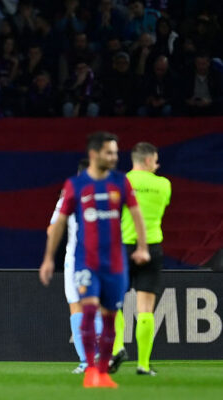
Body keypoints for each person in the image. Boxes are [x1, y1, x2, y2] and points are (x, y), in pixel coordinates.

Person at [39, 132, 150, 388]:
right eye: (109, 153)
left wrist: (142, 247)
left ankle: (101, 370)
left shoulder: (121, 183)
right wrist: (47, 259)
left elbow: (137, 215)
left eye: (115, 152)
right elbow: (55, 226)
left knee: (109, 315)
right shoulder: (75, 187)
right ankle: (89, 367)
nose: (114, 157)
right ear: (94, 155)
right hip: (83, 260)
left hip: (114, 260)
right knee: (87, 309)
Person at [109, 142, 171, 376]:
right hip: (152, 248)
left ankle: (118, 348)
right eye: (155, 160)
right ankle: (143, 365)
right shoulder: (164, 184)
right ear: (147, 161)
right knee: (145, 309)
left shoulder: (120, 182)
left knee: (113, 303)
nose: (157, 165)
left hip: (123, 247)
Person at [48, 159, 103, 374]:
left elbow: (52, 230)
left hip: (76, 258)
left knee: (76, 306)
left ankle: (85, 360)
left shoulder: (69, 194)